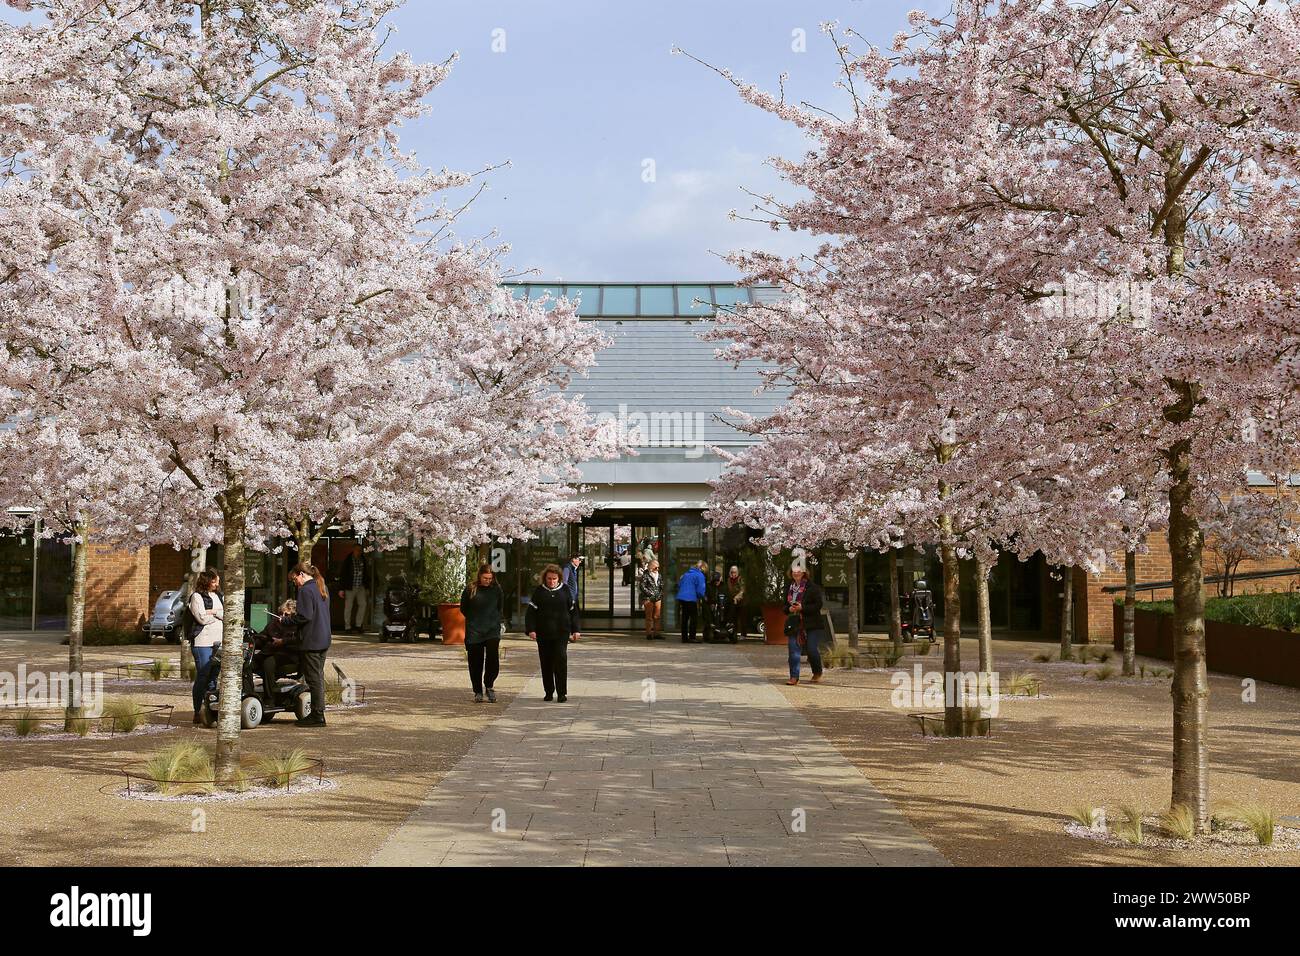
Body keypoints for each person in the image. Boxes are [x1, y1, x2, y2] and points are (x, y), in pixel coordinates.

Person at [526, 564, 580, 702]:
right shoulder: (539, 592)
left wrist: (576, 630)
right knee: (546, 662)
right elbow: (531, 612)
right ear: (545, 578)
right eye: (549, 579)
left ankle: (562, 693)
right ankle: (549, 691)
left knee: (561, 660)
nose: (551, 581)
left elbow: (573, 611)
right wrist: (531, 629)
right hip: (543, 633)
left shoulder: (566, 591)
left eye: (554, 579)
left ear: (559, 578)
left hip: (561, 632)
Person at [291, 562, 331, 726]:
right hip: (324, 638)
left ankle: (317, 715)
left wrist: (287, 620)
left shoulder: (306, 590)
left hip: (312, 641)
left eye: (295, 579)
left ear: (301, 574)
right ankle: (318, 712)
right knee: (318, 677)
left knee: (314, 679)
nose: (295, 583)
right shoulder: (322, 587)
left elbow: (304, 616)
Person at [461, 563, 504, 703]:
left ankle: (489, 685)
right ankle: (477, 691)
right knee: (475, 662)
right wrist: (474, 619)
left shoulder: (496, 589)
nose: (488, 581)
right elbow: (464, 608)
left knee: (493, 659)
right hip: (475, 630)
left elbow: (500, 607)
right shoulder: (470, 589)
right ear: (479, 576)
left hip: (492, 629)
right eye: (485, 578)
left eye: (490, 578)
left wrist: (495, 620)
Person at [188, 569, 223, 723]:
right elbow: (201, 618)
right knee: (203, 675)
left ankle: (210, 710)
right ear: (207, 581)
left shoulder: (218, 596)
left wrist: (212, 611)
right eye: (214, 581)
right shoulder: (196, 597)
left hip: (218, 641)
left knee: (214, 676)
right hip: (202, 641)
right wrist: (216, 614)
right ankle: (197, 710)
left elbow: (226, 614)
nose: (217, 584)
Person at [252, 599, 301, 702]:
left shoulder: (296, 626)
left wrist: (283, 641)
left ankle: (269, 698)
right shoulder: (274, 622)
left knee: (268, 663)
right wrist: (252, 641)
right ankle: (249, 694)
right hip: (269, 652)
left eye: (286, 615)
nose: (282, 616)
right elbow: (262, 636)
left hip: (288, 655)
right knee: (247, 664)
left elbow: (298, 641)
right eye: (281, 613)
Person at [784, 568, 826, 685]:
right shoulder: (789, 587)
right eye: (793, 571)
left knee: (811, 649)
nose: (796, 573)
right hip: (794, 623)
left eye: (799, 571)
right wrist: (789, 609)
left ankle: (817, 672)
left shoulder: (813, 587)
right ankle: (794, 677)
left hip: (812, 623)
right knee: (793, 650)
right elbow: (784, 607)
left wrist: (803, 608)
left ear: (804, 572)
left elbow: (818, 605)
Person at [337, 542, 369, 634]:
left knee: (363, 604)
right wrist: (341, 588)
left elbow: (366, 573)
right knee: (348, 607)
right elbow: (343, 574)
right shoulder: (348, 560)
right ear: (353, 550)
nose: (359, 552)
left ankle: (358, 625)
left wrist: (367, 587)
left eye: (360, 550)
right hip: (350, 587)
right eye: (357, 550)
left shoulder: (363, 559)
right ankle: (347, 626)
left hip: (360, 586)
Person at [676, 559, 708, 644]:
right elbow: (701, 590)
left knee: (684, 618)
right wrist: (701, 597)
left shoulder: (686, 574)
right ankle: (692, 637)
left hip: (682, 598)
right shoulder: (700, 575)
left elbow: (679, 584)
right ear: (702, 568)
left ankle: (684, 638)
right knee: (694, 618)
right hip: (691, 598)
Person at [640, 559, 664, 640]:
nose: (657, 569)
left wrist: (660, 594)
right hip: (648, 598)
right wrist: (650, 594)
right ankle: (649, 634)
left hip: (658, 598)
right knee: (649, 617)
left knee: (657, 616)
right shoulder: (645, 575)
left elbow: (661, 585)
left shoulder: (659, 575)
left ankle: (657, 633)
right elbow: (642, 587)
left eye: (658, 568)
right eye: (655, 568)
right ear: (651, 567)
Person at [725, 565, 747, 639]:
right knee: (733, 618)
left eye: (735, 572)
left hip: (741, 601)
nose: (733, 574)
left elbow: (742, 590)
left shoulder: (740, 579)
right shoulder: (728, 580)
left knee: (742, 619)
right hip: (732, 601)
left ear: (737, 572)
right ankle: (734, 634)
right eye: (732, 572)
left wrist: (736, 597)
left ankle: (743, 634)